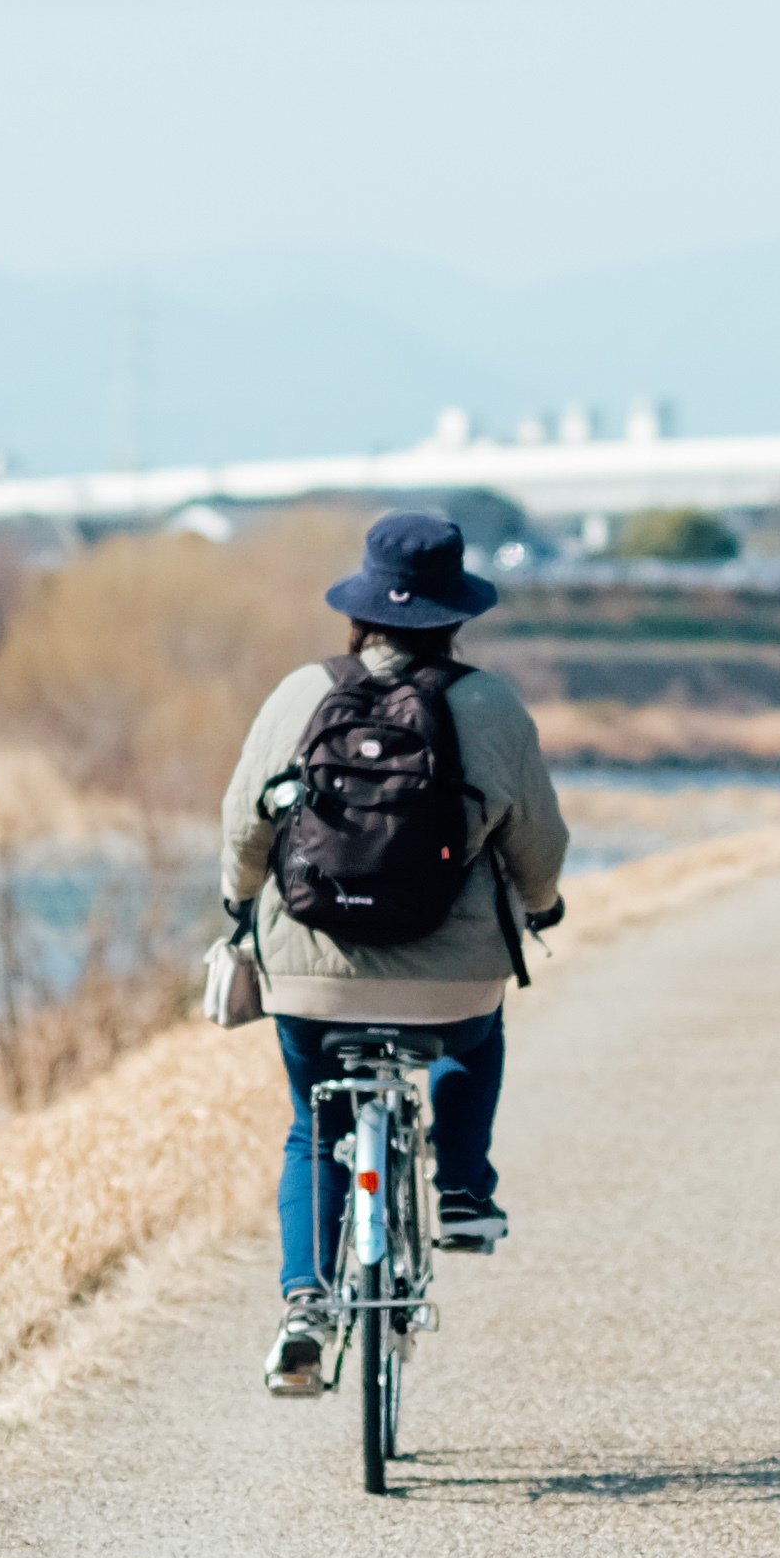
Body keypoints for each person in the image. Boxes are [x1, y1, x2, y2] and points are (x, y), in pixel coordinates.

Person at [222, 506, 573, 1395]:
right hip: (449, 980)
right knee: (475, 1034)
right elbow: (537, 838)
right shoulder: (488, 703)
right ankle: (460, 1189)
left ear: (363, 606)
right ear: (455, 613)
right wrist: (543, 905)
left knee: (315, 1126)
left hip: (311, 975)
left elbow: (245, 820)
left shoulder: (303, 692)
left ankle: (305, 1304)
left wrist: (238, 901)